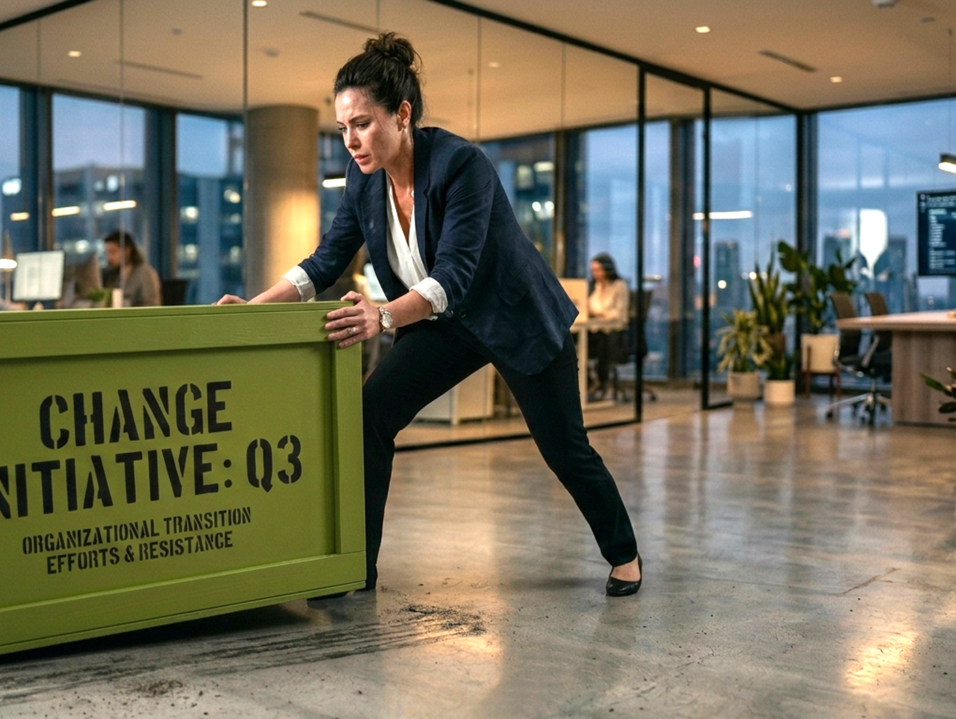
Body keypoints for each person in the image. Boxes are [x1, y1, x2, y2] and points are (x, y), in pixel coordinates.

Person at [219, 33, 642, 597]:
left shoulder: (462, 164)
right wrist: (255, 308)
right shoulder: (363, 181)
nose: (351, 140)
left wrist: (383, 318)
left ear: (402, 114)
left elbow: (454, 276)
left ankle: (625, 554)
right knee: (371, 415)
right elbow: (324, 261)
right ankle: (356, 568)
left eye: (363, 123)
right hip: (444, 326)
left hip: (513, 318)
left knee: (564, 448)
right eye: (343, 127)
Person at [587, 253, 630, 399]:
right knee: (574, 342)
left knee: (601, 344)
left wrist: (599, 313)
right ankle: (590, 382)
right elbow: (590, 306)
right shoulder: (596, 287)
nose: (595, 274)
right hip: (596, 328)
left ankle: (601, 381)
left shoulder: (620, 286)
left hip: (614, 331)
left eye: (598, 270)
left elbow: (619, 313)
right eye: (593, 270)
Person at [102, 230, 161, 307]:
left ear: (127, 251)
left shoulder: (145, 274)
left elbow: (151, 305)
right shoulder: (112, 275)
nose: (109, 258)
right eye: (107, 253)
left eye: (113, 252)